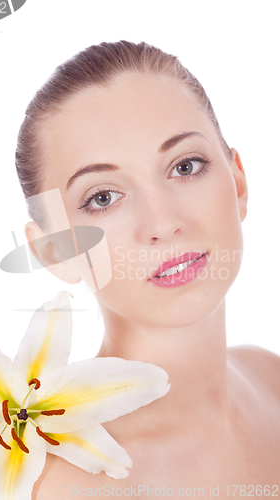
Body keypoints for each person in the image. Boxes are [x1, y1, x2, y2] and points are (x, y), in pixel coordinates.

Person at [15, 41, 280, 498]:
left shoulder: (270, 376)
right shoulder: (65, 479)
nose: (163, 224)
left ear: (238, 181)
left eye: (185, 166)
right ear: (56, 252)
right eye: (102, 197)